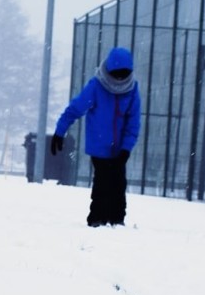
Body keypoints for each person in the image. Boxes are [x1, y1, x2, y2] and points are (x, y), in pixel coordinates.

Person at [51, 45, 141, 227]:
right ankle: (97, 219)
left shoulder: (132, 90)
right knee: (102, 182)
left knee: (118, 184)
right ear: (110, 71)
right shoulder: (97, 86)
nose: (120, 79)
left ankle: (117, 220)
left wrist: (126, 149)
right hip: (99, 147)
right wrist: (60, 131)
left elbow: (133, 123)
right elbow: (75, 109)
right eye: (117, 74)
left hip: (120, 149)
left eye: (124, 74)